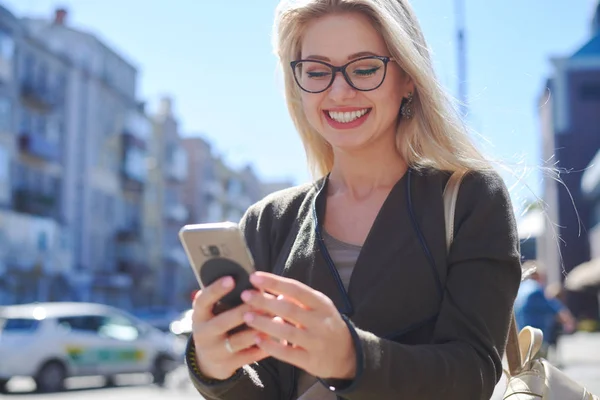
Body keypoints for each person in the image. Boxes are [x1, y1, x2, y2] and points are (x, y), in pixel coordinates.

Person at [185, 0, 522, 398]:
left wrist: (351, 357)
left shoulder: (470, 198)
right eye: (316, 71)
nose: (339, 91)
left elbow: (473, 374)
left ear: (408, 77)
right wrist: (216, 369)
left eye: (364, 68)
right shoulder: (268, 221)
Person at [514, 261, 576, 360]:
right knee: (538, 367)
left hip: (522, 335)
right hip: (536, 337)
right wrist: (568, 320)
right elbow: (553, 307)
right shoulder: (536, 290)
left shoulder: (520, 289)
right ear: (537, 275)